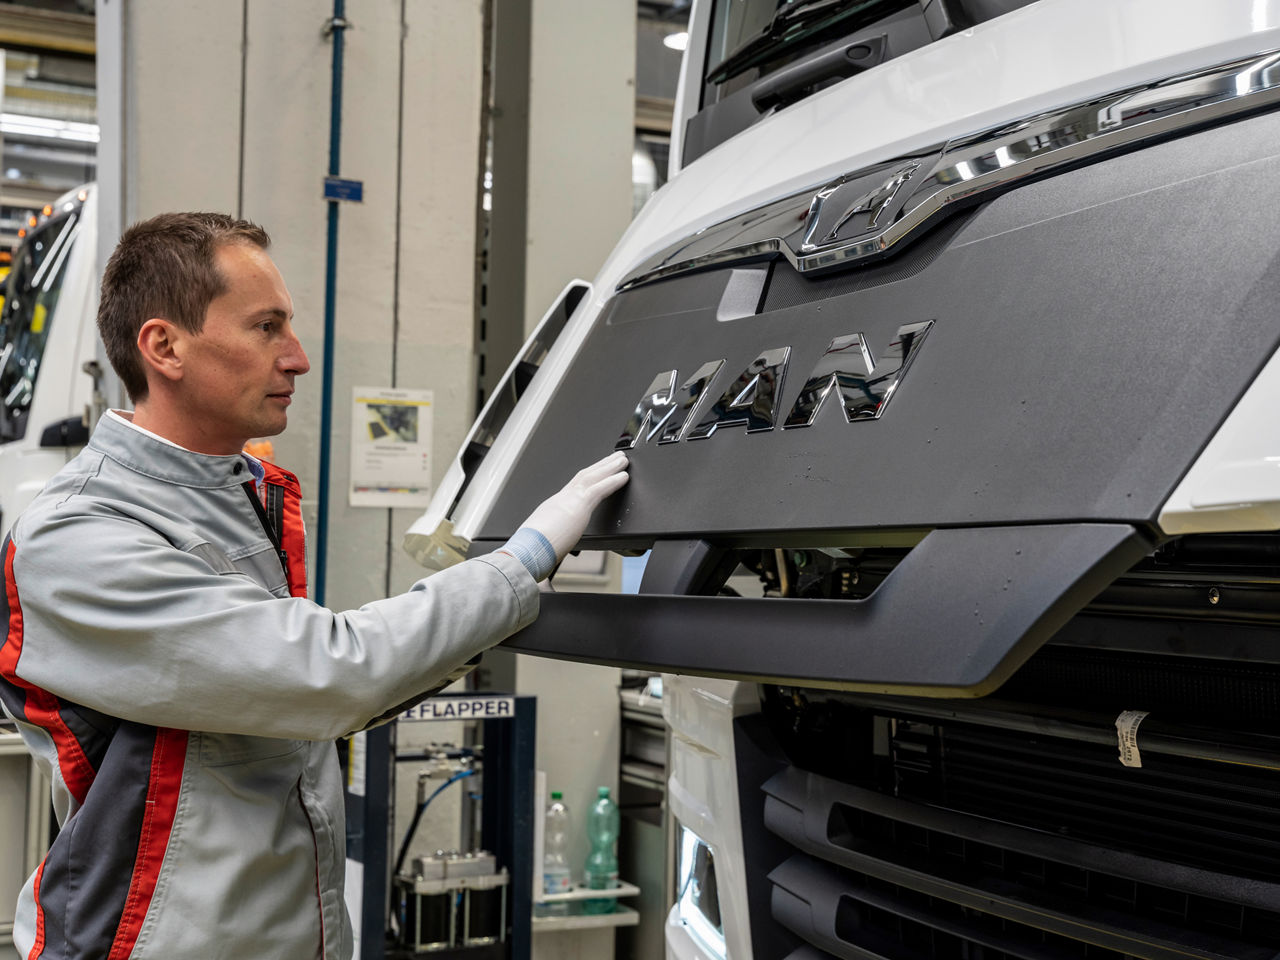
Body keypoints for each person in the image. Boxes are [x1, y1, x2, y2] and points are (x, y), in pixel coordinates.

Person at [0, 212, 628, 960]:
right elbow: (328, 672)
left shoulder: (237, 495)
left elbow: (304, 703)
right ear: (164, 346)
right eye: (266, 327)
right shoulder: (76, 537)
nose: (296, 358)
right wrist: (522, 561)